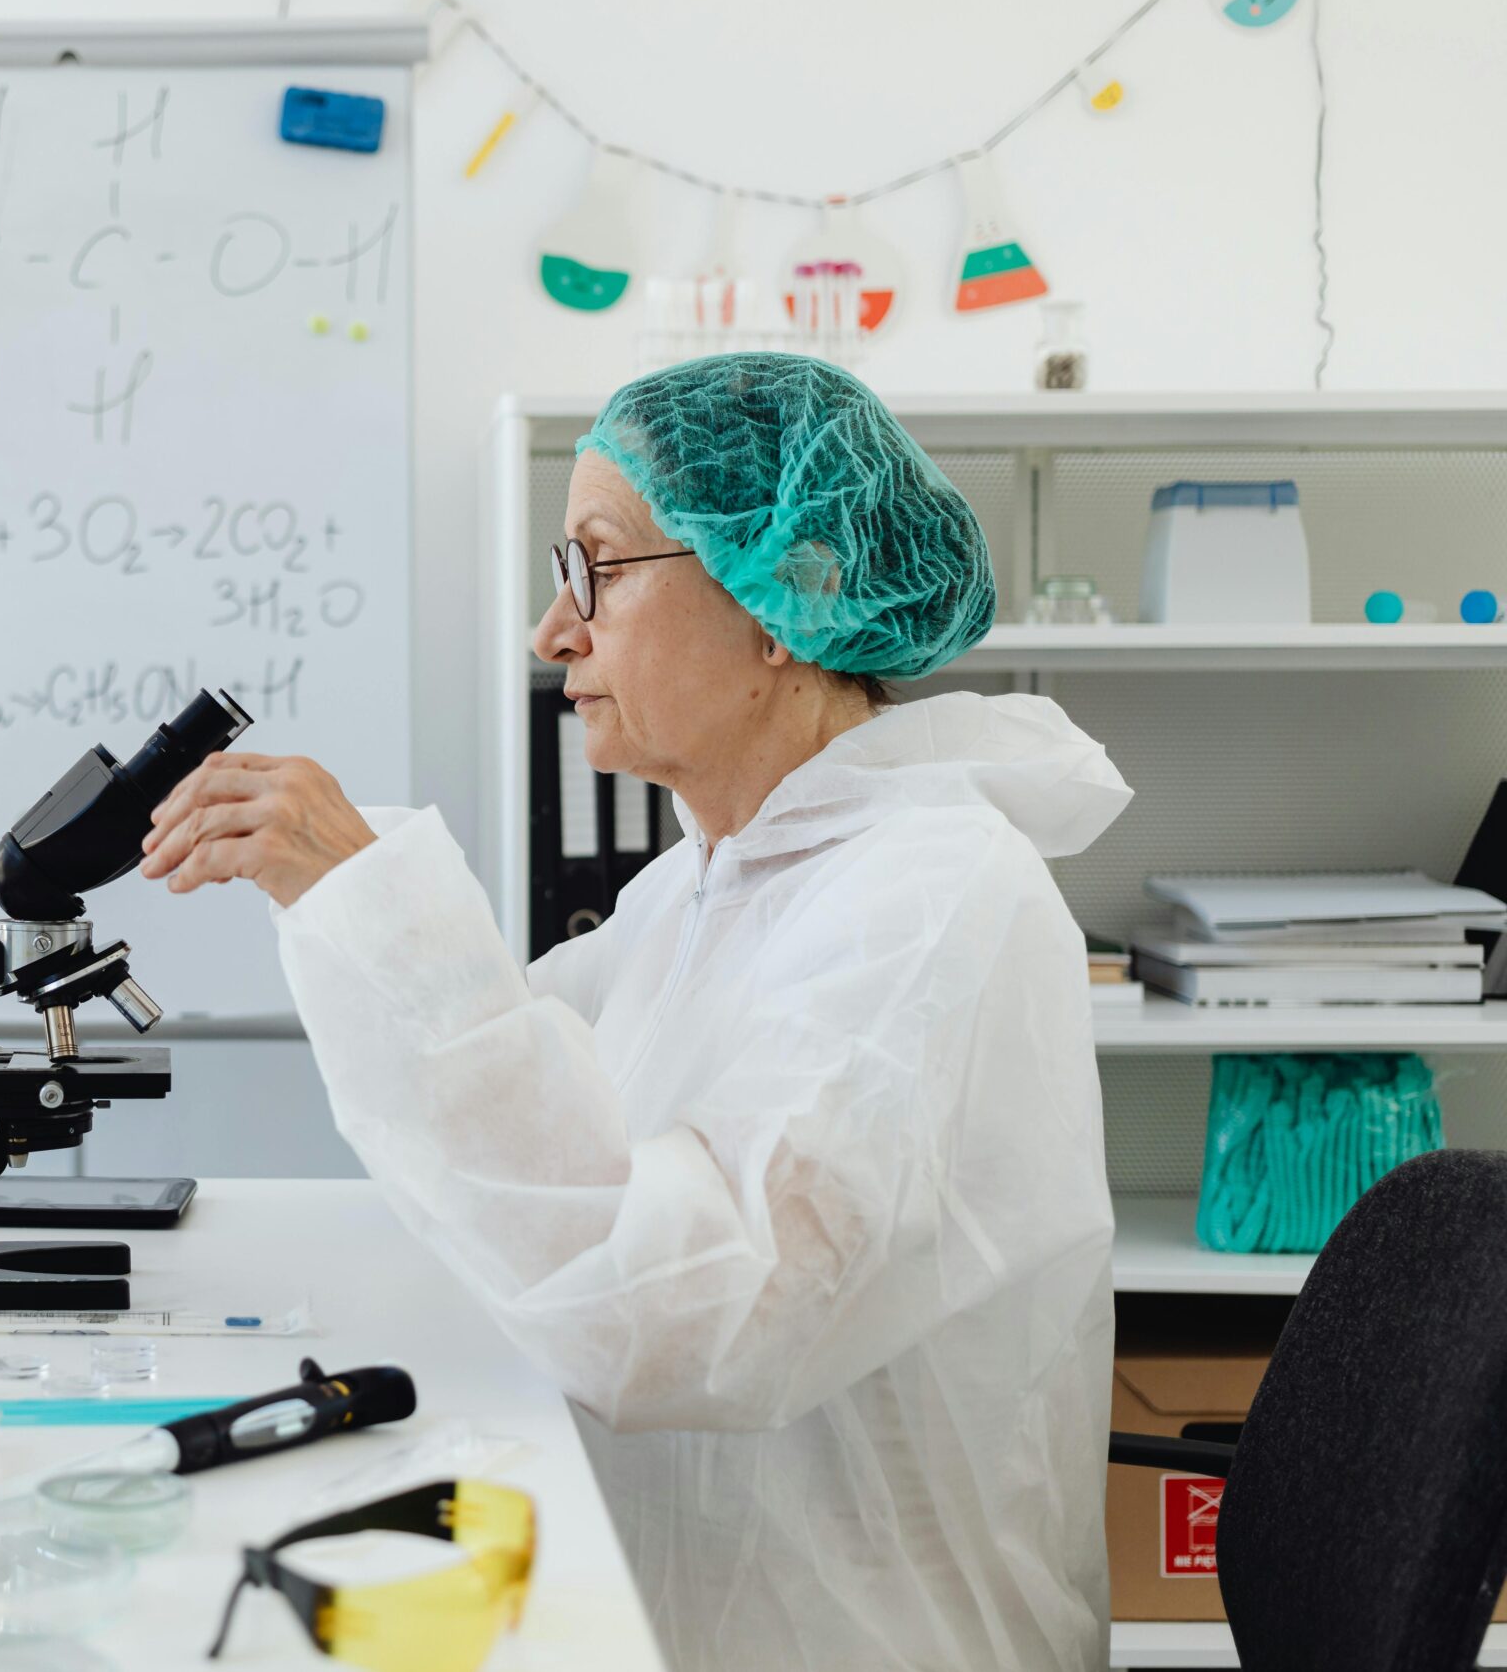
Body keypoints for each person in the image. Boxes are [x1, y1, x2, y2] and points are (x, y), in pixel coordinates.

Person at [139, 354, 1133, 1672]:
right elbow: (522, 1131)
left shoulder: (931, 900)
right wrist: (344, 911)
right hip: (685, 1598)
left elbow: (691, 1320)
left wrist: (373, 901)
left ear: (790, 595)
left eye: (596, 569)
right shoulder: (708, 882)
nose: (555, 630)